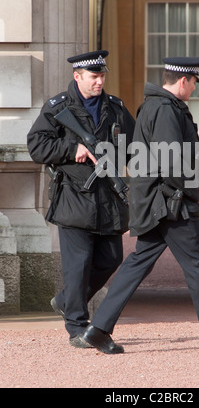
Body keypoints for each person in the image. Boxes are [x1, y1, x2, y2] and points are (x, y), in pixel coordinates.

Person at [79, 56, 199, 354]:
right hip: (170, 204)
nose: (194, 89)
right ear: (184, 80)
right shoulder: (164, 108)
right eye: (193, 82)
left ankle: (97, 329)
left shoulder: (160, 105)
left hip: (160, 202)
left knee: (137, 265)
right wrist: (192, 193)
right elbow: (170, 160)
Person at [27, 50, 135, 347]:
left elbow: (134, 144)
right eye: (94, 77)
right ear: (78, 77)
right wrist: (70, 148)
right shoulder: (57, 107)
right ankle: (77, 326)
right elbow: (36, 145)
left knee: (111, 258)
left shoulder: (114, 108)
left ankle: (65, 301)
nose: (99, 82)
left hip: (107, 198)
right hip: (74, 197)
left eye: (102, 76)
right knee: (79, 264)